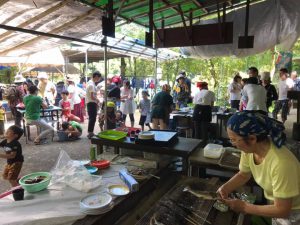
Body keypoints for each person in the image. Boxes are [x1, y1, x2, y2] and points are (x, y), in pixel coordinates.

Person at [218, 111, 300, 225]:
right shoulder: (249, 151)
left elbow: (282, 210)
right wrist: (225, 188)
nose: (232, 144)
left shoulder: (281, 163)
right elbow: (243, 175)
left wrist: (245, 207)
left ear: (252, 139)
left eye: (233, 139)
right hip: (276, 204)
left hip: (294, 212)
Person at [86, 71, 102, 139]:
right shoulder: (91, 85)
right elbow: (92, 96)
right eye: (99, 78)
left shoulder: (91, 83)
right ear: (96, 76)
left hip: (90, 102)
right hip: (91, 103)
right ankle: (90, 133)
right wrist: (98, 100)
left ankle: (90, 132)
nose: (99, 79)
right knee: (92, 118)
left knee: (92, 118)